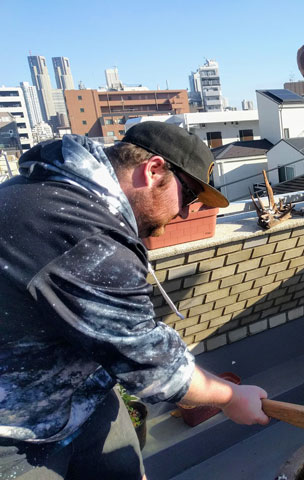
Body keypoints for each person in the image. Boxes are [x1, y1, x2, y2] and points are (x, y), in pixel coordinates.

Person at [0, 121, 270, 479]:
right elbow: (153, 365)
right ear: (154, 169)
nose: (187, 213)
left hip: (83, 396)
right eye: (188, 196)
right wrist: (232, 398)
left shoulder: (59, 191)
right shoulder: (84, 233)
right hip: (16, 433)